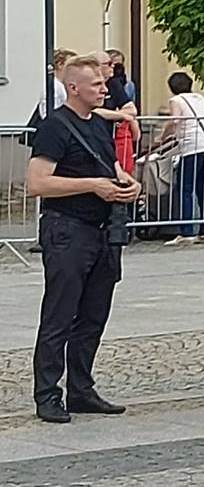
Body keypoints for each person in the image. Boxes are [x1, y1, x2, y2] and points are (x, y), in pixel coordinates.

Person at [28, 52, 139, 423]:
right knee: (59, 314)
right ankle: (47, 395)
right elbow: (37, 182)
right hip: (67, 229)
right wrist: (92, 185)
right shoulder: (55, 127)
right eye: (97, 84)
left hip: (102, 231)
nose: (105, 89)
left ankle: (81, 388)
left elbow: (109, 167)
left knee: (93, 314)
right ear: (74, 88)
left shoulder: (98, 125)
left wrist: (126, 182)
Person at [159, 72, 204, 245]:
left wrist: (162, 135)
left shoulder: (176, 101)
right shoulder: (200, 98)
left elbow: (175, 119)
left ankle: (186, 232)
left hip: (191, 147)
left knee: (185, 189)